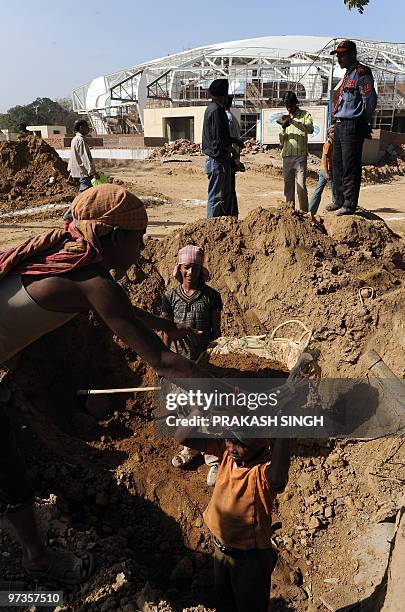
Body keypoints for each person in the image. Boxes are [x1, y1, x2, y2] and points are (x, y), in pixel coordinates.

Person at [0, 184, 207, 585]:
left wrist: (165, 324)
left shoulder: (69, 255)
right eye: (139, 239)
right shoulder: (91, 280)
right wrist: (238, 396)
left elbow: (120, 310)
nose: (141, 252)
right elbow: (161, 361)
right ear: (114, 236)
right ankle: (36, 560)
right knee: (10, 470)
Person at [176, 430, 291, 612]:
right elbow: (182, 437)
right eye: (229, 440)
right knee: (224, 603)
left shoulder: (261, 475)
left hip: (249, 560)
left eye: (241, 444)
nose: (232, 448)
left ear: (261, 443)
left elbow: (277, 477)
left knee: (249, 607)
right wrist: (199, 410)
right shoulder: (225, 454)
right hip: (220, 550)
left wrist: (283, 432)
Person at [161, 245, 222, 486]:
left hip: (202, 361)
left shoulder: (211, 296)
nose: (190, 272)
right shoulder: (170, 297)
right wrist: (163, 360)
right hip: (178, 361)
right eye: (186, 267)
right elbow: (165, 329)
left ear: (200, 269)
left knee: (204, 409)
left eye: (195, 268)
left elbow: (216, 331)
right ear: (179, 268)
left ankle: (213, 458)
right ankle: (190, 449)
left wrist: (214, 355)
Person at [328, 40, 377, 216]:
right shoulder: (348, 75)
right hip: (341, 124)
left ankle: (349, 204)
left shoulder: (362, 73)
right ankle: (339, 200)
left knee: (350, 166)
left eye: (342, 54)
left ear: (352, 55)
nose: (339, 58)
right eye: (338, 55)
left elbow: (369, 100)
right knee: (338, 165)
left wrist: (361, 122)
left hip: (353, 125)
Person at [202, 79, 236, 218]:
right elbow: (217, 138)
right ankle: (212, 228)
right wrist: (230, 148)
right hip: (217, 158)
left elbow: (220, 134)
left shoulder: (215, 108)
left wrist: (234, 141)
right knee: (216, 198)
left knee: (223, 196)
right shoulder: (216, 110)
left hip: (219, 158)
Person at [278, 91, 314, 212]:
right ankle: (290, 213)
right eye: (286, 106)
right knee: (288, 188)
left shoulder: (305, 115)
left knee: (301, 187)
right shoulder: (284, 118)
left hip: (300, 156)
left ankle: (304, 213)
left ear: (295, 103)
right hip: (287, 156)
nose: (288, 108)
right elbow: (281, 140)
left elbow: (310, 129)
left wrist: (293, 121)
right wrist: (283, 128)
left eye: (290, 105)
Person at [224, 95, 245, 218]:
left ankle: (231, 217)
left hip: (229, 158)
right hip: (233, 158)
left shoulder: (227, 118)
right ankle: (233, 216)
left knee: (228, 191)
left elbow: (231, 141)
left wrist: (235, 160)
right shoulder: (233, 118)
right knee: (231, 190)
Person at [309, 126, 338, 214]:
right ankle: (335, 205)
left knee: (319, 190)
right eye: (332, 132)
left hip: (327, 170)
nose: (334, 133)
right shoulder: (328, 144)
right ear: (328, 134)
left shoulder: (333, 143)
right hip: (326, 170)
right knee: (334, 189)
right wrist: (326, 172)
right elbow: (324, 158)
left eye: (335, 132)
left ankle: (311, 210)